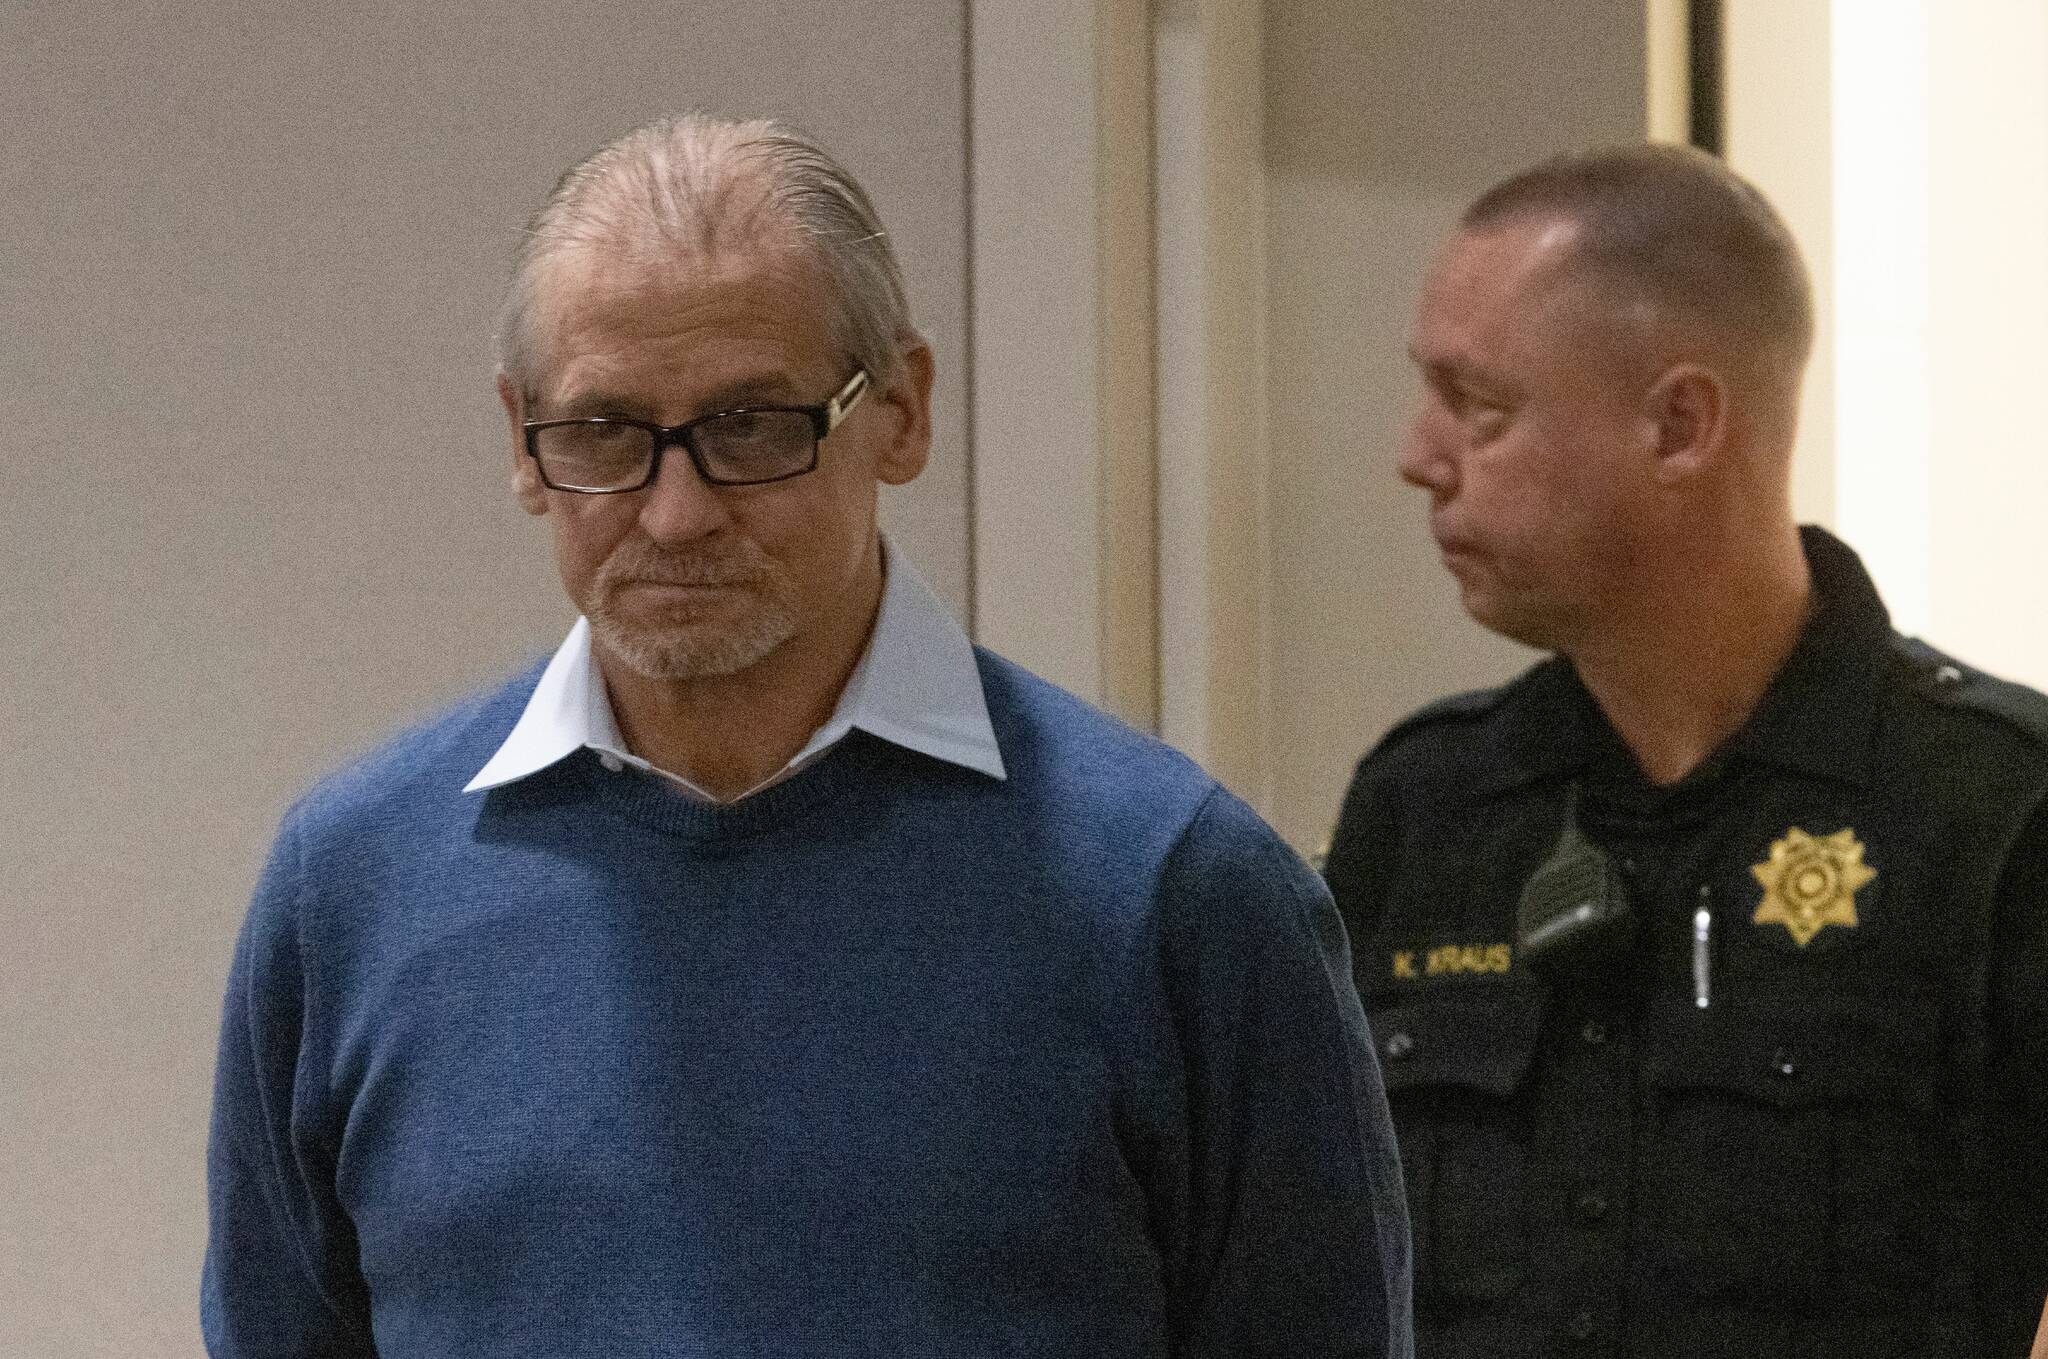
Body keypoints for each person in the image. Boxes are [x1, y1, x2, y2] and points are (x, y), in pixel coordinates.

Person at [201, 112, 1412, 1358]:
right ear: (523, 442)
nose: (674, 516)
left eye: (749, 429)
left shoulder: (1173, 888)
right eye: (605, 435)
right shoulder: (346, 888)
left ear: (900, 409)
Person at [1323, 144, 2048, 1358]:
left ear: (1678, 425)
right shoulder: (1428, 806)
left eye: (1480, 408)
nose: (1418, 455)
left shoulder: (1996, 811)